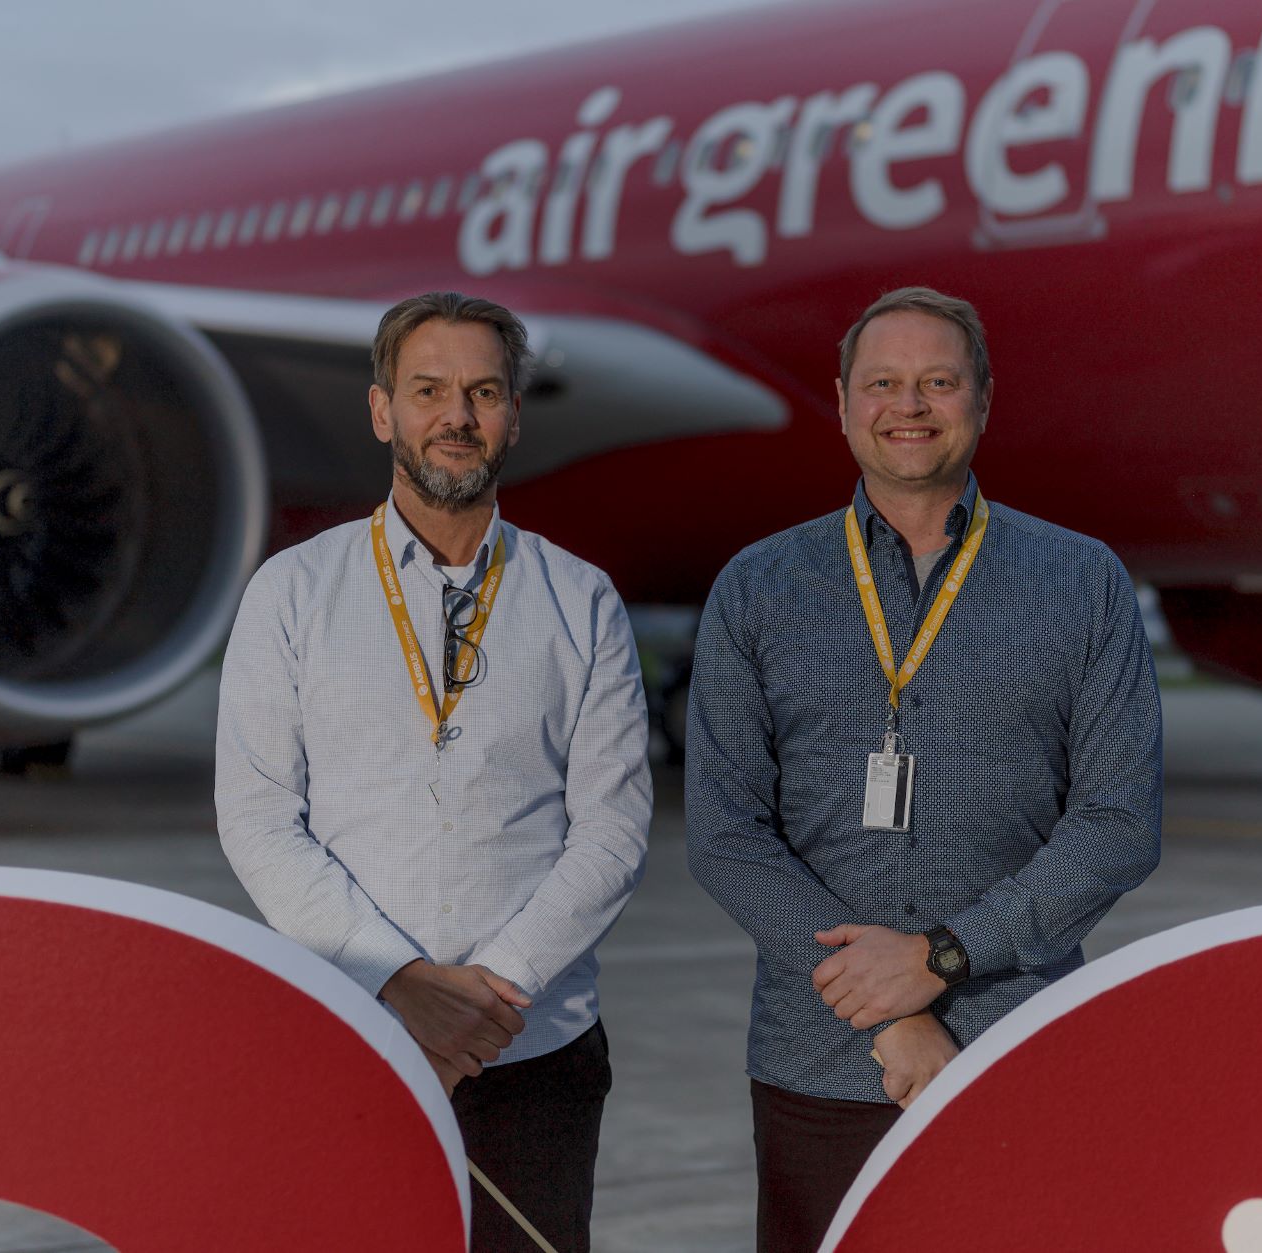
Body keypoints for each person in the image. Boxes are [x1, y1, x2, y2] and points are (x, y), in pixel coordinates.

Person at [685, 286, 1161, 1253]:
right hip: (817, 1067)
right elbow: (727, 834)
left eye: (938, 382)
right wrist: (886, 1011)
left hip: (1016, 1042)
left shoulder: (1084, 580)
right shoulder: (758, 586)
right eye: (884, 383)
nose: (910, 405)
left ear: (982, 398)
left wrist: (941, 956)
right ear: (845, 398)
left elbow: (1118, 821)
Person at [216, 291, 651, 1253]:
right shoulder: (292, 592)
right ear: (383, 411)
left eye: (483, 391)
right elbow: (256, 818)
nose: (457, 415)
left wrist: (484, 1003)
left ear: (513, 414)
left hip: (535, 1051)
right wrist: (402, 981)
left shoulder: (580, 599)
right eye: (429, 390)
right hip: (352, 1032)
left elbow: (614, 831)